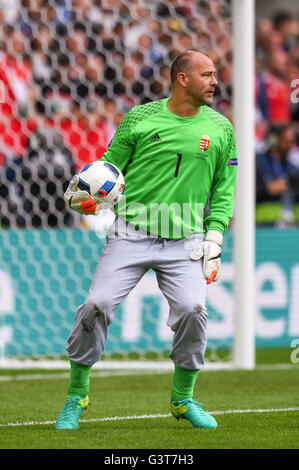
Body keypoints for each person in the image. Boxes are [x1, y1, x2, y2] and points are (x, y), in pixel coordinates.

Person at [55, 50, 238, 430]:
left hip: (186, 240)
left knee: (192, 311)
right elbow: (107, 169)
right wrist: (89, 200)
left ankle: (183, 399)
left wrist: (215, 235)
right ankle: (77, 396)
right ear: (182, 79)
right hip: (130, 233)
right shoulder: (139, 119)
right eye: (207, 75)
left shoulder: (222, 128)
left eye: (214, 75)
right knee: (97, 304)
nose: (215, 82)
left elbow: (224, 188)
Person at [256, 123, 299, 227]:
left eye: (291, 142)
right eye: (286, 141)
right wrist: (268, 189)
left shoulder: (293, 169)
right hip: (262, 228)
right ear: (274, 140)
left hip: (288, 228)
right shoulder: (258, 162)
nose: (289, 146)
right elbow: (245, 194)